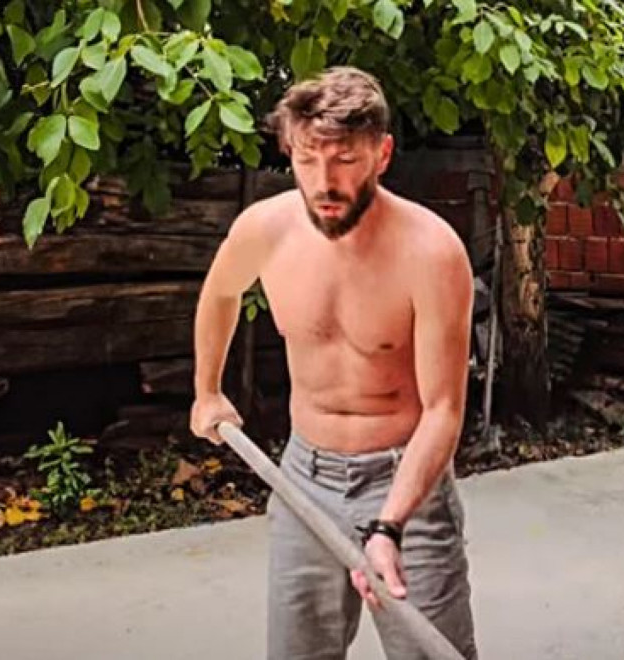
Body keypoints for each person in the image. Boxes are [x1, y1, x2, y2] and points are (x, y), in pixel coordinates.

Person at [189, 66, 477, 660]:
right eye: (307, 159)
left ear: (382, 154)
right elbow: (219, 294)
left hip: (404, 482)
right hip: (304, 480)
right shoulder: (265, 230)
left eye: (345, 160)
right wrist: (207, 389)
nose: (324, 181)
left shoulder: (432, 252)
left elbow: (444, 410)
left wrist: (389, 526)